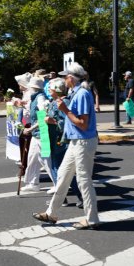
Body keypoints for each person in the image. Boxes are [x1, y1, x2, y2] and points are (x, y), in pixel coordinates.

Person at [32, 62, 100, 230]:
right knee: (62, 176)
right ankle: (51, 213)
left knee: (84, 181)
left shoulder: (82, 94)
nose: (63, 79)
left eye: (64, 77)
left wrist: (65, 109)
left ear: (71, 78)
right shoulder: (74, 93)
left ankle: (92, 219)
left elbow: (83, 124)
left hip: (83, 141)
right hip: (75, 142)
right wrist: (61, 105)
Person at [45, 78, 83, 206]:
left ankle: (64, 198)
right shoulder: (55, 101)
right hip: (55, 139)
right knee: (65, 170)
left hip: (60, 141)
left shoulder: (63, 102)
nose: (48, 90)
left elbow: (66, 122)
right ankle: (78, 197)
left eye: (50, 88)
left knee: (59, 169)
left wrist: (52, 121)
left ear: (56, 90)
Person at [20, 77, 55, 192]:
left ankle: (58, 183)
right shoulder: (36, 97)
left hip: (42, 133)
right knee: (32, 158)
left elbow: (42, 117)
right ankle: (33, 183)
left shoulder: (40, 98)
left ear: (33, 87)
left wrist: (30, 129)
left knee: (46, 160)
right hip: (37, 133)